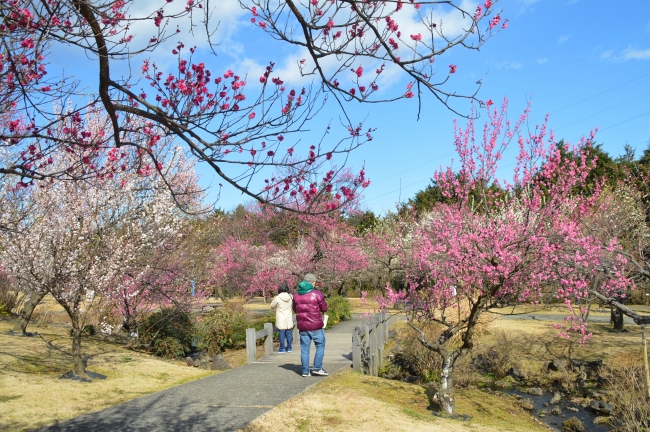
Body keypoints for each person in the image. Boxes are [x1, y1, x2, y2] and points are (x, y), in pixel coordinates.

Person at [293, 273, 328, 377]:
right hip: (315, 325)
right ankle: (317, 368)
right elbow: (324, 308)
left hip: (303, 326)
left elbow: (295, 309)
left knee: (304, 349)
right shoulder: (317, 294)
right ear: (313, 282)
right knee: (320, 345)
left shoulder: (296, 295)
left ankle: (305, 371)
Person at [270, 283, 294, 353]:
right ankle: (289, 348)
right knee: (289, 332)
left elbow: (272, 306)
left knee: (281, 333)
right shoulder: (291, 296)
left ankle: (282, 348)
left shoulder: (277, 297)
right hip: (289, 317)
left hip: (281, 317)